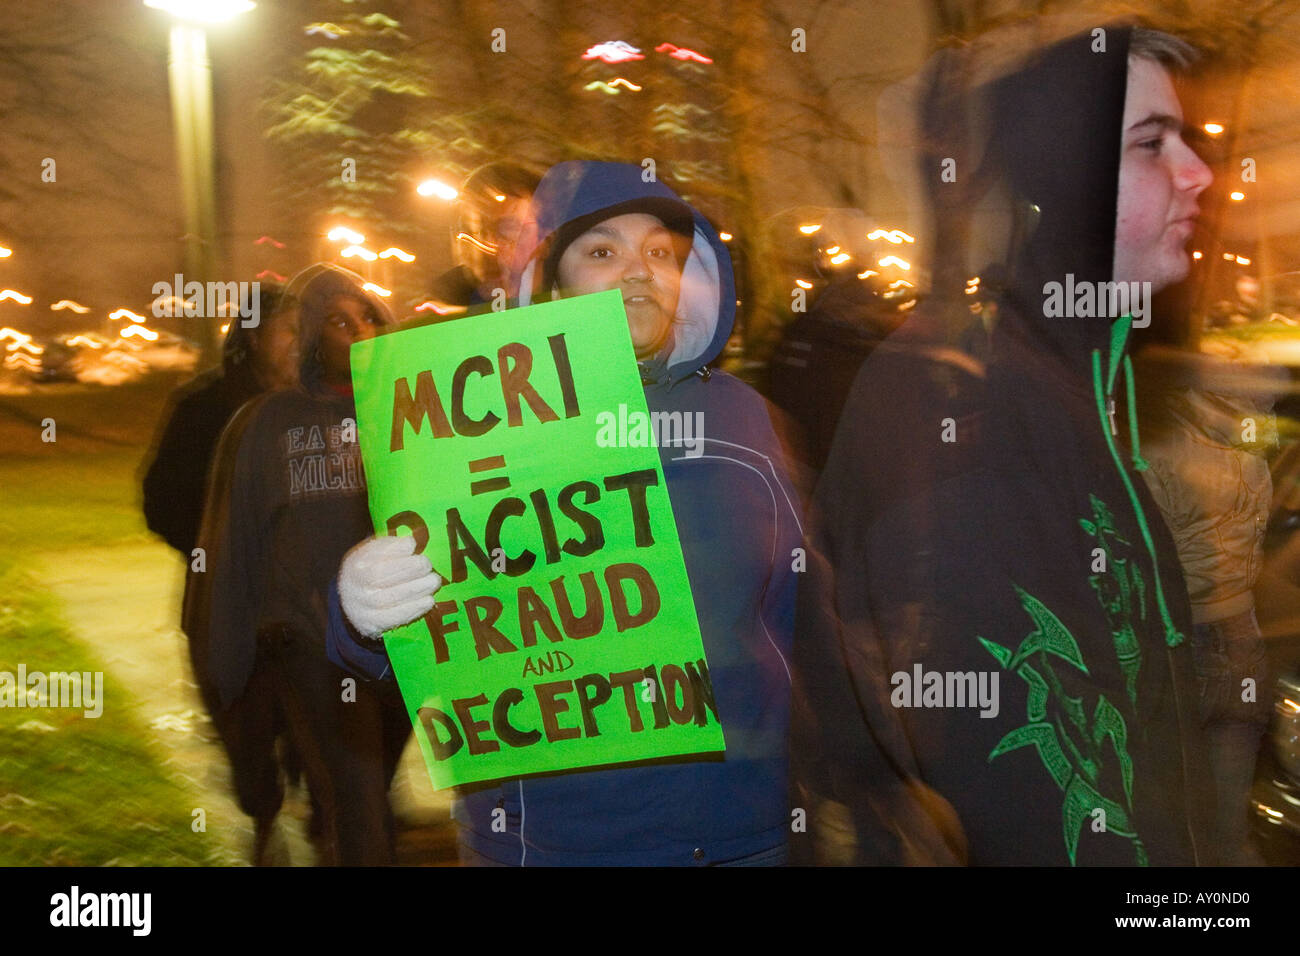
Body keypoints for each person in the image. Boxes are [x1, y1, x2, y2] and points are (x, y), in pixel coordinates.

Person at [790, 24, 1218, 865]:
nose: (1199, 172)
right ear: (1068, 179)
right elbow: (1035, 797)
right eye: (1150, 145)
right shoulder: (978, 416)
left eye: (1186, 139)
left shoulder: (1080, 386)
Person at [330, 160, 804, 865]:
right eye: (603, 251)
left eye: (661, 253)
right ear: (552, 279)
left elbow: (798, 621)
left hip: (732, 838)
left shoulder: (744, 421)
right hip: (547, 842)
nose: (638, 272)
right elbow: (434, 642)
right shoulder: (472, 426)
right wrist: (359, 616)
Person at [184, 264, 412, 866]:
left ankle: (332, 834)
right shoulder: (265, 424)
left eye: (367, 315)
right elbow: (232, 552)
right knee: (362, 802)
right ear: (311, 334)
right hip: (311, 644)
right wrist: (224, 663)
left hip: (404, 642)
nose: (359, 329)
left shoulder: (411, 413)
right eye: (339, 321)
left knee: (366, 791)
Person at [1134, 335, 1280, 865]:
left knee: (1168, 825)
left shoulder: (1158, 453)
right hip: (1243, 643)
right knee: (1228, 827)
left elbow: (1139, 556)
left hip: (1178, 647)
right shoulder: (1256, 459)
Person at [142, 284, 296, 558]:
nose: (301, 341)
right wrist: (224, 554)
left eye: (308, 331)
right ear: (255, 337)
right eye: (290, 329)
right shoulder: (203, 409)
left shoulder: (318, 407)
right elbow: (164, 504)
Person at [427, 161, 541, 313]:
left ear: (547, 235)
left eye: (507, 229)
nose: (489, 246)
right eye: (475, 231)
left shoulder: (576, 302)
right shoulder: (445, 314)